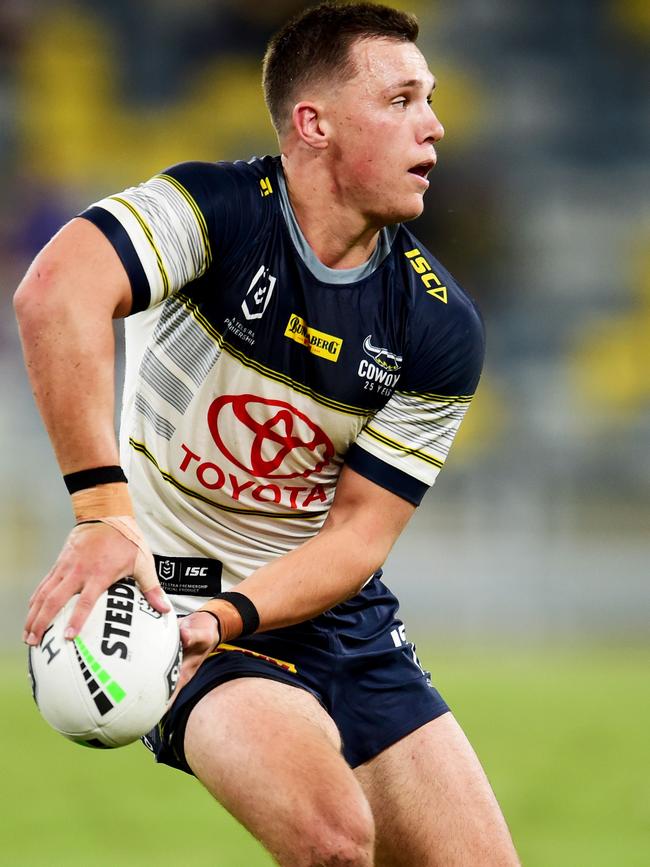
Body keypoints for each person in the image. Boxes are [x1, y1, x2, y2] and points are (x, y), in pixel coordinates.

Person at [16, 3, 520, 865]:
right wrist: (104, 514)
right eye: (401, 100)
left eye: (430, 100)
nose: (435, 125)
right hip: (169, 608)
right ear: (313, 123)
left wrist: (237, 611)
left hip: (332, 618)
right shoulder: (212, 211)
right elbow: (53, 292)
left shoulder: (440, 326)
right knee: (332, 840)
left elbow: (361, 533)